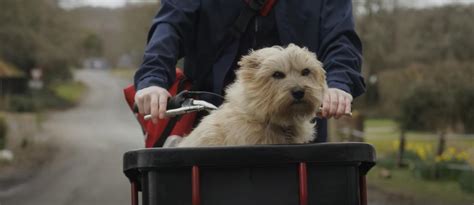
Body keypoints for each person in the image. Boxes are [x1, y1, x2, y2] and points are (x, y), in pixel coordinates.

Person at [134, 0, 365, 142]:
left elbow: (341, 39)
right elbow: (171, 26)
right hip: (211, 119)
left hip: (302, 124)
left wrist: (338, 85)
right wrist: (154, 80)